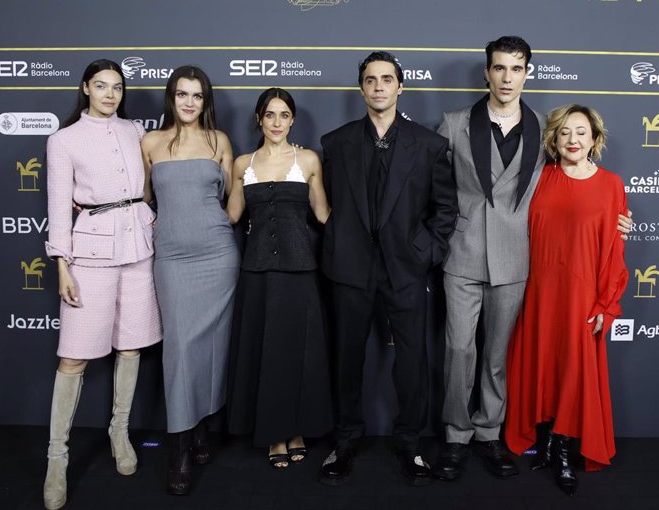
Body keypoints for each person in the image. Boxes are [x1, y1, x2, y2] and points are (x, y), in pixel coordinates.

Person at [433, 36, 632, 483]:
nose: (507, 77)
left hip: (516, 260)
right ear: (487, 73)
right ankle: (455, 436)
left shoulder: (545, 129)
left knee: (498, 357)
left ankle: (488, 433)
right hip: (462, 255)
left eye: (516, 68)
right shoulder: (453, 123)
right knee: (459, 350)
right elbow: (432, 189)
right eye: (499, 68)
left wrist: (614, 219)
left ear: (527, 73)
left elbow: (577, 188)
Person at [317, 51, 458, 486]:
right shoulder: (335, 143)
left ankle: (410, 446)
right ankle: (344, 443)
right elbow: (328, 207)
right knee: (347, 361)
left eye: (386, 79)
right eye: (370, 80)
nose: (378, 86)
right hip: (351, 270)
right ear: (361, 88)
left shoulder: (430, 144)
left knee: (412, 362)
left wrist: (424, 253)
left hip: (406, 270)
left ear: (401, 86)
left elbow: (445, 210)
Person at [43, 59, 162, 510]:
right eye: (102, 86)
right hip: (88, 255)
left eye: (117, 87)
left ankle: (120, 431)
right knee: (74, 357)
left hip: (139, 247)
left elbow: (151, 185)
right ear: (86, 89)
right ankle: (57, 459)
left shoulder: (136, 133)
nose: (111, 94)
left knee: (130, 347)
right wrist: (61, 265)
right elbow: (58, 205)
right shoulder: (63, 139)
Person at [505, 105, 628, 496]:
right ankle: (544, 440)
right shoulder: (539, 178)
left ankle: (562, 449)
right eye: (564, 133)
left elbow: (613, 253)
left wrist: (606, 305)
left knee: (574, 370)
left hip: (581, 298)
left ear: (594, 139)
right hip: (539, 293)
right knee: (542, 366)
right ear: (553, 140)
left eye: (581, 132)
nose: (573, 140)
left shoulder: (611, 185)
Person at [141, 66, 239, 495]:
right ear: (171, 97)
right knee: (179, 348)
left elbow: (232, 204)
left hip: (218, 256)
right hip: (173, 259)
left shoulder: (219, 142)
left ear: (206, 101)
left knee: (212, 348)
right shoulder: (150, 142)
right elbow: (142, 199)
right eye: (181, 94)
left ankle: (200, 427)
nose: (188, 102)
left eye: (197, 96)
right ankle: (180, 445)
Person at [225, 87, 333, 469]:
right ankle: (273, 433)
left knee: (299, 353)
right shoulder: (241, 164)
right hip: (257, 273)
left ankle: (297, 428)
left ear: (292, 120)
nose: (276, 122)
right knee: (266, 353)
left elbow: (323, 214)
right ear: (259, 119)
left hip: (300, 272)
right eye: (269, 115)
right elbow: (231, 216)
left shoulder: (307, 160)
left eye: (283, 115)